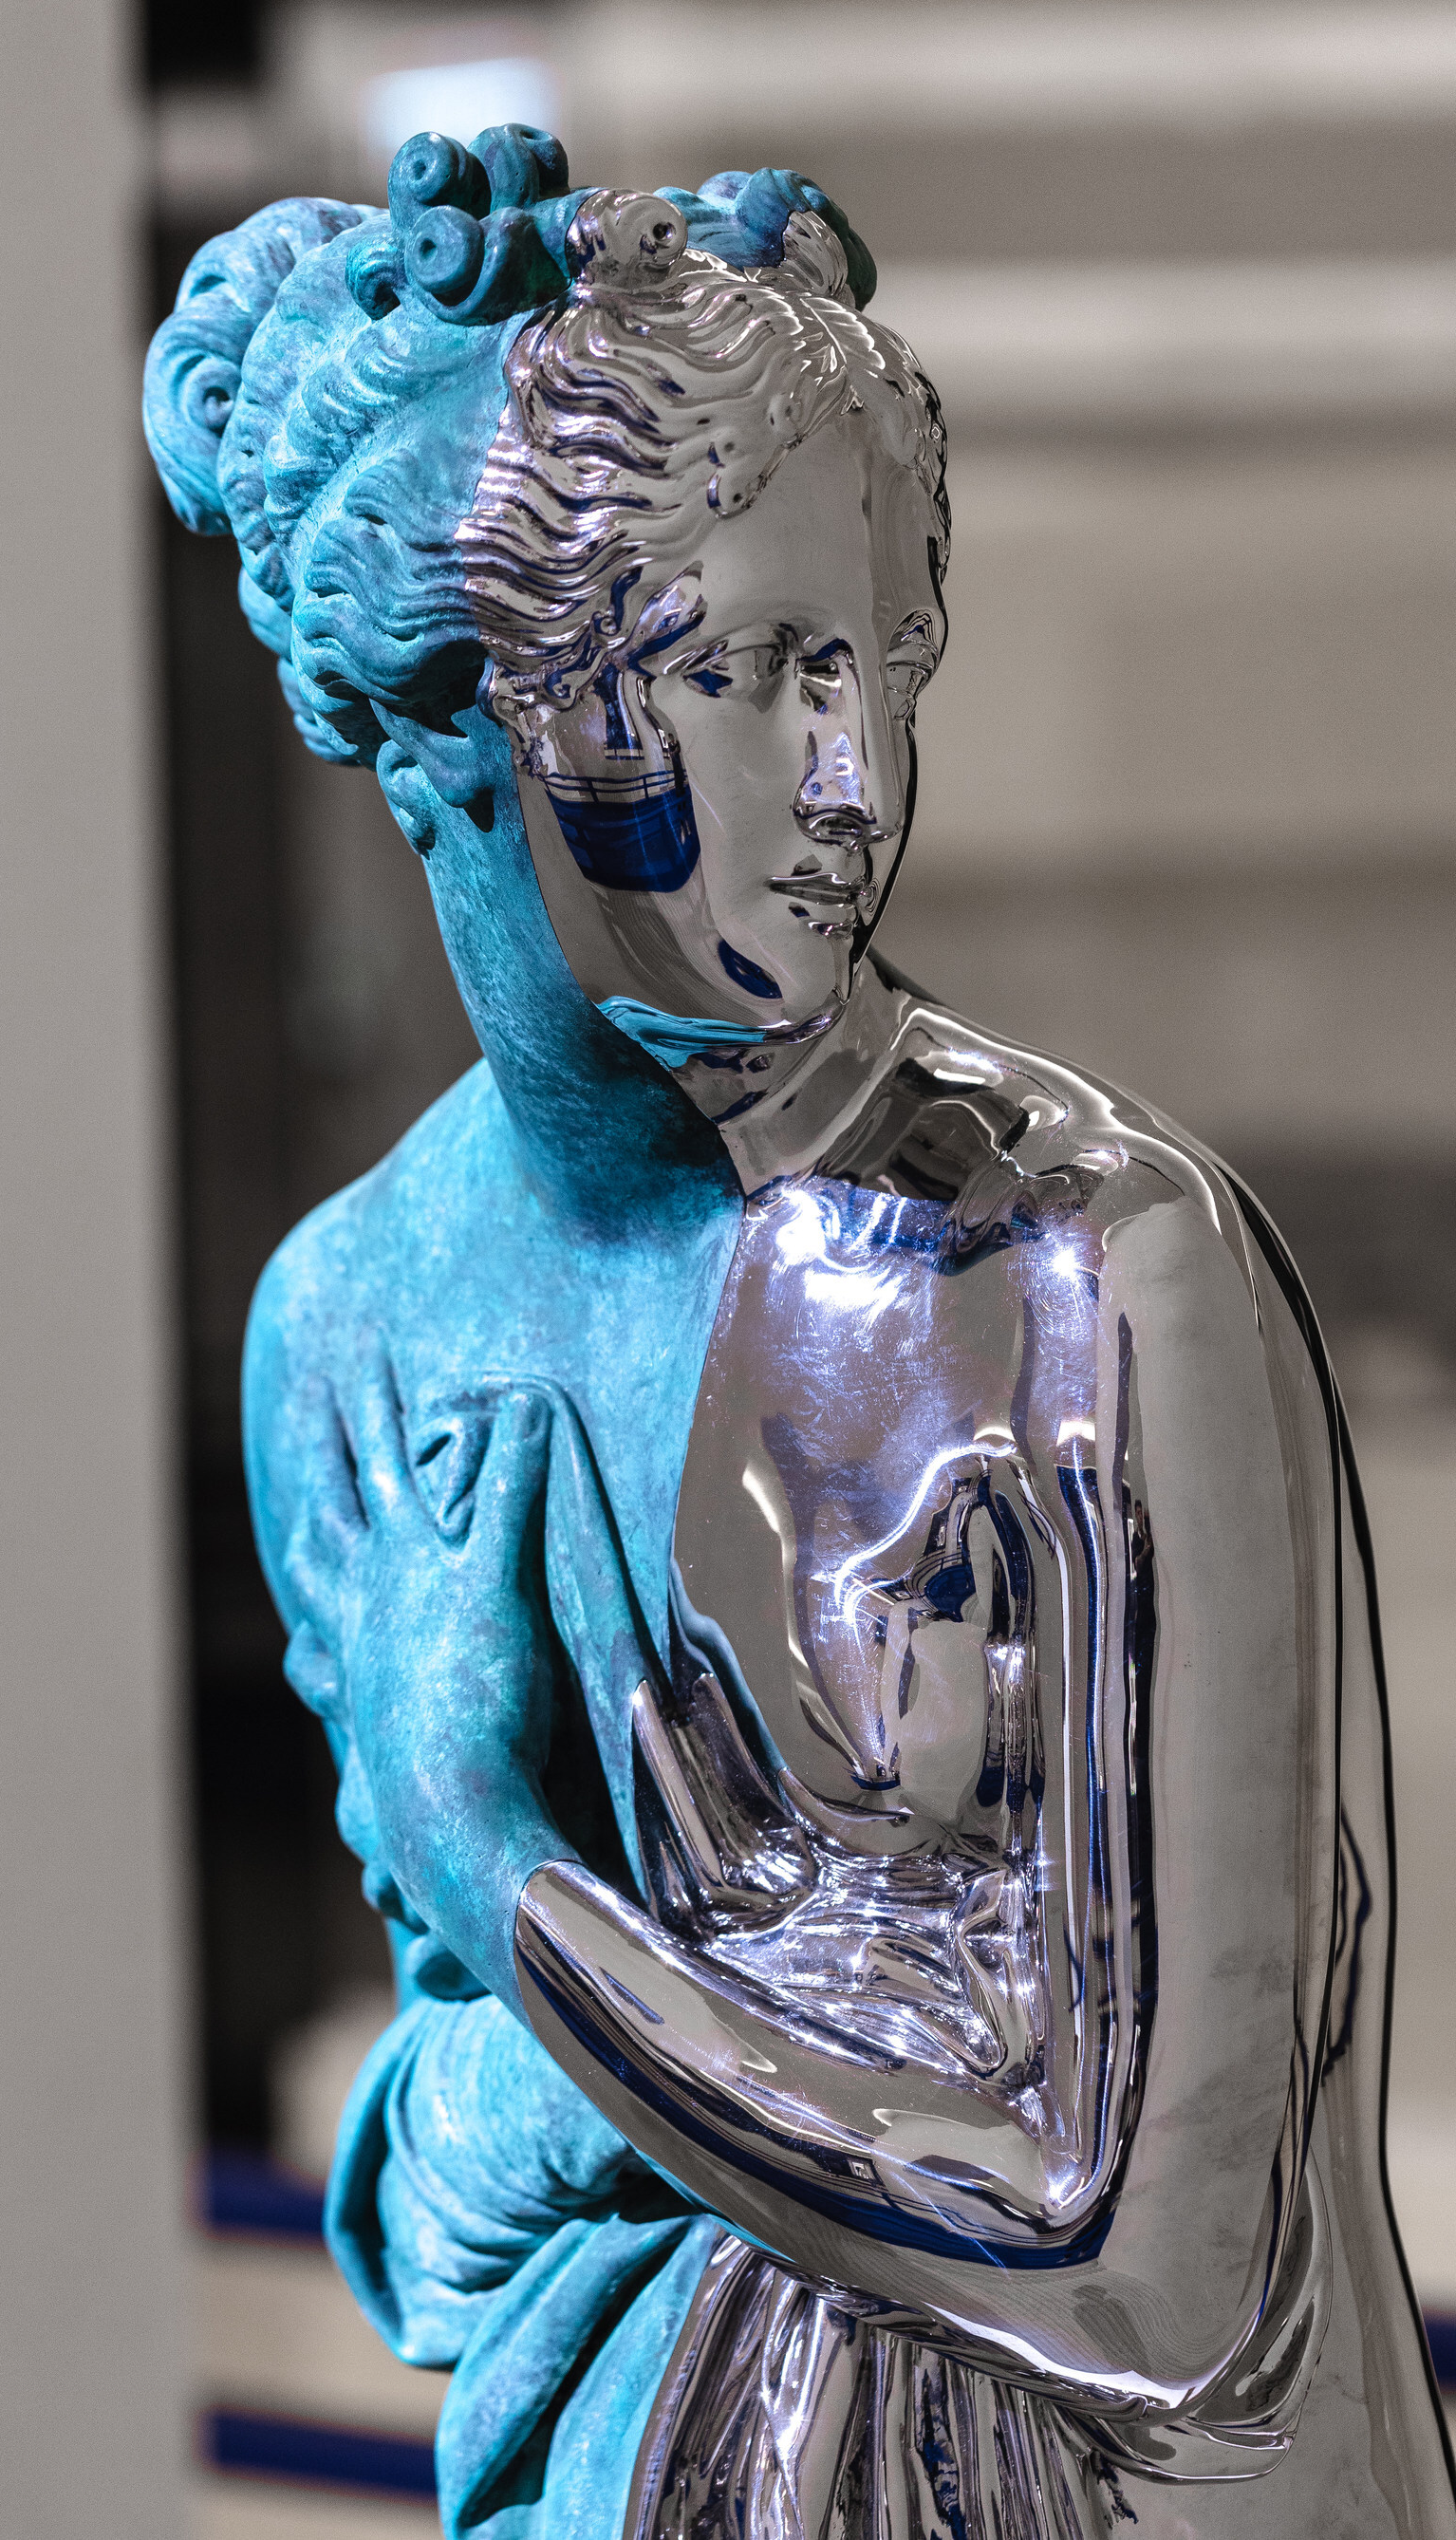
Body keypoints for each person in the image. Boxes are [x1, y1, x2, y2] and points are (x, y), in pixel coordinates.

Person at [145, 125, 1455, 2539]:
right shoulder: (352, 1334)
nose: (849, 786)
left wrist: (503, 1876)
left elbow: (1150, 2264)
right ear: (456, 720)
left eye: (880, 664)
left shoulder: (1089, 1271)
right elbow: (424, 2221)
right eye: (742, 674)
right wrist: (722, 2055)